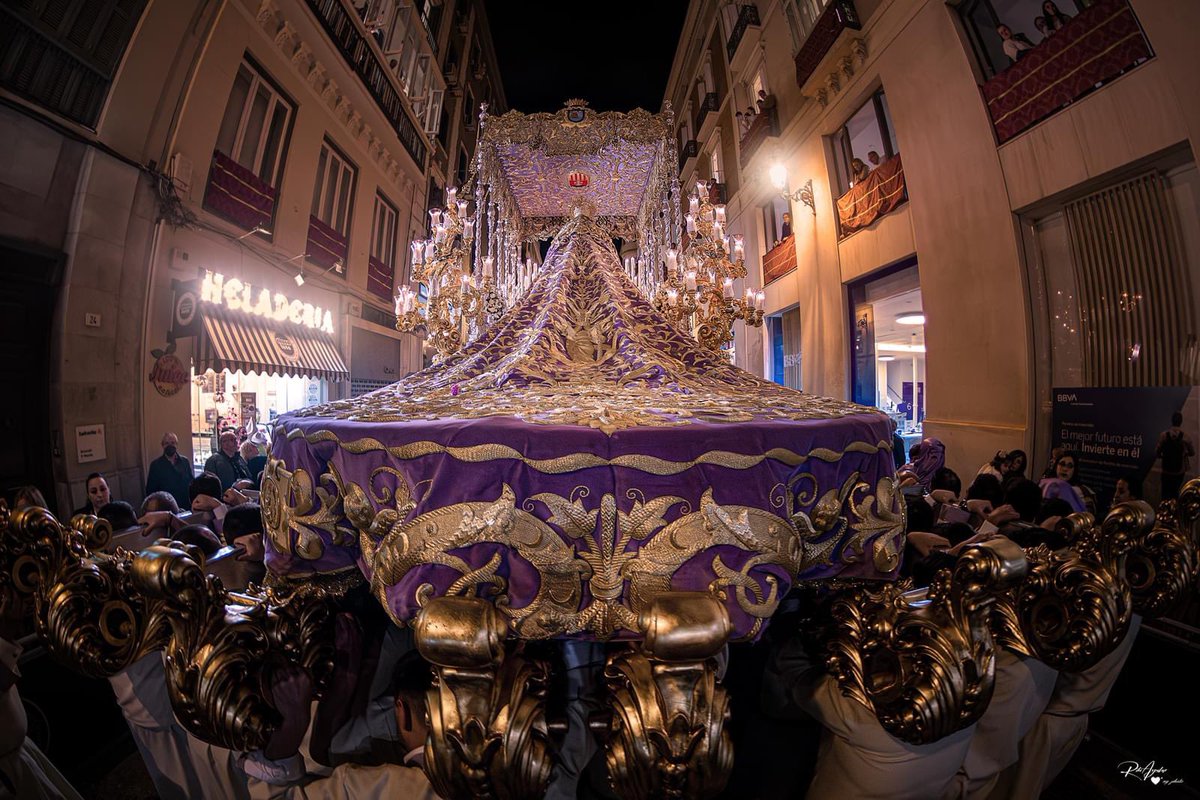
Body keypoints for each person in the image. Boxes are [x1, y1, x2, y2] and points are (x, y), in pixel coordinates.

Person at [146, 432, 194, 511]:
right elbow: (151, 490)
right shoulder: (155, 465)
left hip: (185, 505)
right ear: (162, 445)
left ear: (176, 444)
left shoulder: (185, 461)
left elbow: (191, 481)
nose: (170, 445)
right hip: (166, 507)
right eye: (167, 443)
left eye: (172, 443)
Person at [1156, 411, 1194, 501]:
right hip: (1179, 472)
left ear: (1171, 421)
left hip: (1166, 470)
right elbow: (1192, 453)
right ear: (1181, 421)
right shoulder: (1186, 437)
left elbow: (1157, 452)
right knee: (1175, 493)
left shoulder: (1164, 435)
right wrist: (1184, 453)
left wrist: (1162, 456)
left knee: (1165, 494)